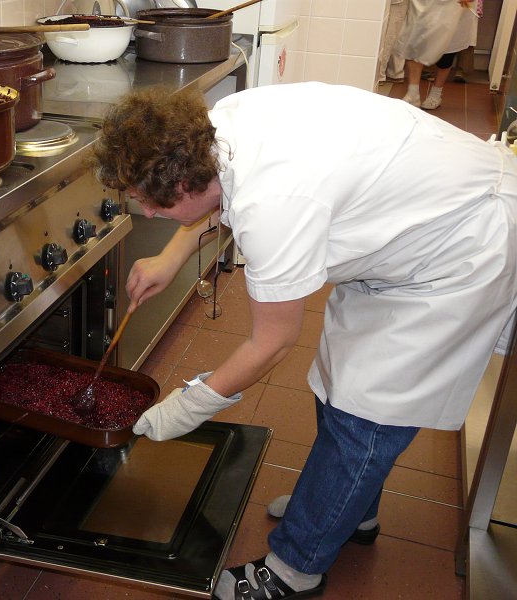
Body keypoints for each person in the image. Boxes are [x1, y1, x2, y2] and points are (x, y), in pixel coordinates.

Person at [90, 82, 517, 599]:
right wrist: (171, 257)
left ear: (182, 182)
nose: (148, 215)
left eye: (152, 204)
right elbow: (218, 195)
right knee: (341, 380)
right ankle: (344, 508)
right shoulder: (213, 131)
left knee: (368, 417)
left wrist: (189, 404)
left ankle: (296, 568)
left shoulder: (273, 205)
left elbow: (271, 342)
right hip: (413, 218)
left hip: (459, 244)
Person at [395, 0, 478, 108]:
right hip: (424, 4)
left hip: (454, 6)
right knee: (414, 41)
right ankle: (412, 93)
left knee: (446, 50)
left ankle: (436, 93)